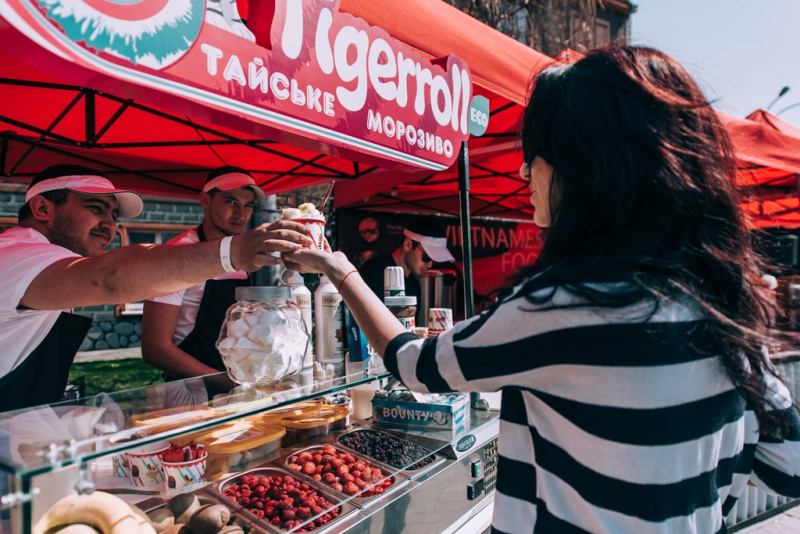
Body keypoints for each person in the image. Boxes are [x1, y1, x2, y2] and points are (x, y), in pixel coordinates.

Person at [285, 46, 800, 533]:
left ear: (585, 170)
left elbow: (414, 366)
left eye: (535, 155)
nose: (523, 171)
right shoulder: (725, 307)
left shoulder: (563, 307)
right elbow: (788, 468)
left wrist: (339, 269)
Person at [0, 164, 313, 412]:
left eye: (113, 215)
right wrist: (231, 253)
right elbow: (109, 278)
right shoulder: (17, 255)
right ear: (42, 208)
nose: (109, 225)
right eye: (96, 208)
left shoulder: (49, 263)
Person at [141, 167, 264, 388]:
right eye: (231, 202)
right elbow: (155, 349)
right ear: (205, 200)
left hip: (238, 385)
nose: (240, 215)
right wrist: (227, 382)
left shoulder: (242, 258)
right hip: (189, 391)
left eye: (248, 205)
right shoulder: (177, 255)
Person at [358, 217, 454, 299]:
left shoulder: (414, 285)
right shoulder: (374, 271)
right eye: (427, 256)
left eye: (434, 258)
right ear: (408, 244)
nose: (430, 264)